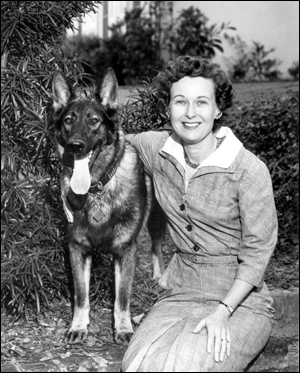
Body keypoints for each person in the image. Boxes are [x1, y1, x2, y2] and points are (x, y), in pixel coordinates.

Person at [122, 56, 278, 372]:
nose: (190, 113)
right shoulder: (158, 150)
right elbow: (110, 144)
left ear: (218, 109)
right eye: (180, 102)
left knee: (183, 366)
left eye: (202, 102)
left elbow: (257, 253)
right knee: (135, 365)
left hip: (241, 301)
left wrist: (223, 310)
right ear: (168, 108)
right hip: (179, 293)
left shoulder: (248, 169)